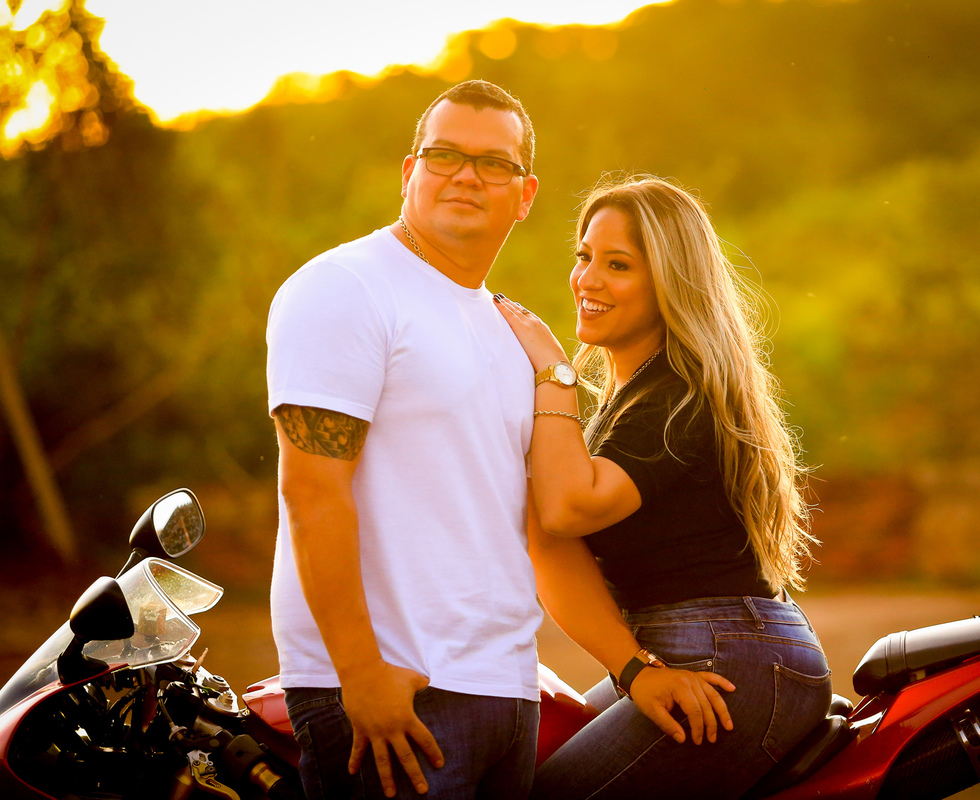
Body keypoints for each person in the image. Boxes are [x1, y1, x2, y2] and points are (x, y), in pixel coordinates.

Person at [267, 84, 732, 800]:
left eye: (493, 163)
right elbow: (312, 491)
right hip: (394, 692)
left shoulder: (515, 336)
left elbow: (543, 534)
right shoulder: (346, 288)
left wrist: (632, 669)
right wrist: (358, 673)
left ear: (525, 195)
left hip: (508, 696)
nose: (466, 176)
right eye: (444, 155)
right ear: (409, 171)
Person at [495, 176, 831, 799]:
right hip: (679, 645)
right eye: (584, 256)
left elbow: (568, 508)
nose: (587, 279)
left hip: (731, 657)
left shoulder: (678, 396)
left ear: (670, 283)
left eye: (617, 264)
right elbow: (547, 537)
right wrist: (632, 668)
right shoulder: (626, 403)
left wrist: (552, 369)